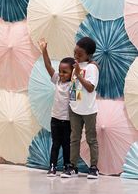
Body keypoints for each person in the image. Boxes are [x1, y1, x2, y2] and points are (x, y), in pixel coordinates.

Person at [61, 37, 99, 179]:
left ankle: (94, 167)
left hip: (89, 110)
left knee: (91, 139)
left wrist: (78, 74)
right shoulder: (75, 64)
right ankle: (72, 166)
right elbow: (74, 86)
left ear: (88, 55)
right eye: (75, 52)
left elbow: (90, 88)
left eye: (80, 54)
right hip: (75, 109)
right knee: (74, 138)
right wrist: (71, 102)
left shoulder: (92, 68)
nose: (76, 56)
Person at [38, 38, 75, 177]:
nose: (61, 74)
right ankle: (52, 166)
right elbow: (48, 66)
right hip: (55, 119)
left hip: (68, 121)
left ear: (72, 73)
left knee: (67, 145)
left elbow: (76, 99)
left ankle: (67, 166)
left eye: (65, 72)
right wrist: (44, 50)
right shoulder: (58, 80)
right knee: (55, 144)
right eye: (60, 71)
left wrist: (76, 74)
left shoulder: (74, 85)